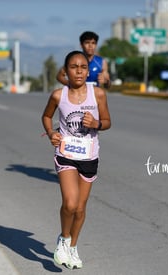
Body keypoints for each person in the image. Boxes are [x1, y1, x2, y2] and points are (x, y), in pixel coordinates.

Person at [42, 50, 111, 269]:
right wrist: (52, 133)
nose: (79, 71)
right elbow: (46, 116)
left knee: (80, 209)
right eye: (74, 67)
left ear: (87, 70)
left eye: (83, 67)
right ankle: (63, 239)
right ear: (66, 71)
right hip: (66, 155)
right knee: (70, 203)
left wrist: (97, 124)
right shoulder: (57, 95)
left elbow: (108, 121)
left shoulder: (98, 94)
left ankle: (73, 247)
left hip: (89, 156)